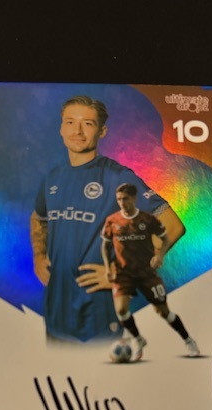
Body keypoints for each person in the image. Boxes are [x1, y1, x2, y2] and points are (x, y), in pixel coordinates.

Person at [30, 95, 186, 344]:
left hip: (98, 315)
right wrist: (39, 256)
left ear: (102, 131)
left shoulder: (118, 177)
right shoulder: (53, 178)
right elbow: (39, 218)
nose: (77, 131)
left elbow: (172, 226)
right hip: (56, 313)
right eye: (70, 122)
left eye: (88, 124)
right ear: (61, 128)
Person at [101, 182, 200, 360]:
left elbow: (166, 237)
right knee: (121, 309)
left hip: (146, 272)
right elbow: (105, 245)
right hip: (124, 273)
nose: (122, 203)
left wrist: (159, 255)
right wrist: (108, 268)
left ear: (134, 199)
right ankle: (138, 339)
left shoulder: (147, 219)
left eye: (126, 199)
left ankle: (188, 340)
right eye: (119, 200)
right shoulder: (113, 220)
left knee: (163, 312)